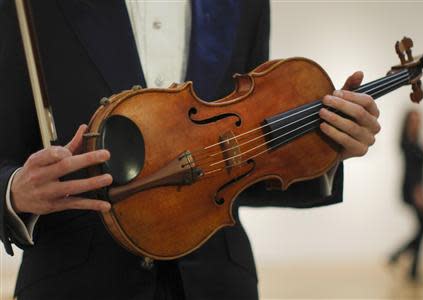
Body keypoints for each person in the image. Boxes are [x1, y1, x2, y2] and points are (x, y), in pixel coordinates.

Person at [0, 1, 380, 299]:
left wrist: (330, 143)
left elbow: (247, 157)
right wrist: (14, 191)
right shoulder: (29, 6)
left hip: (219, 283)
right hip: (78, 283)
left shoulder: (244, 4)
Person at [388, 109, 423, 282]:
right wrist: (418, 191)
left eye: (418, 119)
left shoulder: (415, 141)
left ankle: (409, 268)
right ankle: (402, 261)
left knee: (422, 229)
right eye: (413, 119)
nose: (416, 122)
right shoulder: (407, 143)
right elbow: (412, 172)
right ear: (407, 122)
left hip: (420, 188)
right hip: (413, 189)